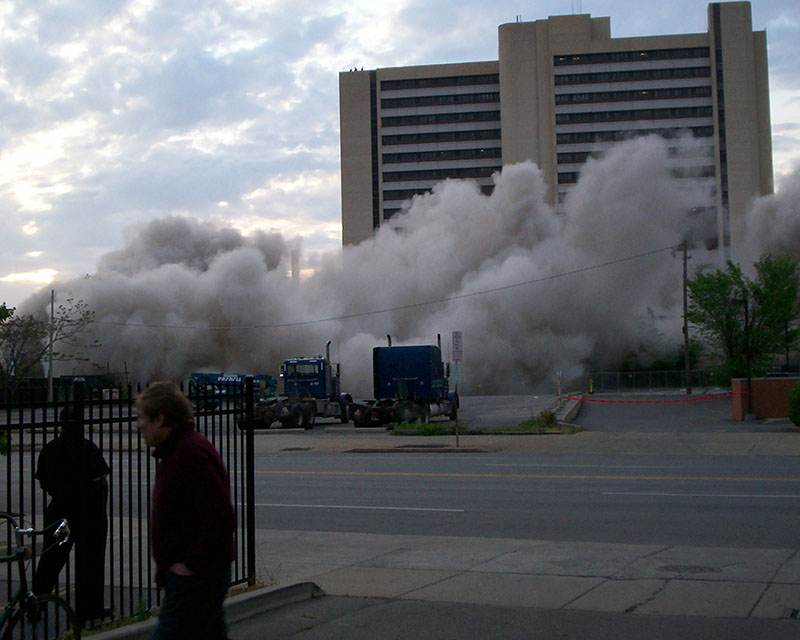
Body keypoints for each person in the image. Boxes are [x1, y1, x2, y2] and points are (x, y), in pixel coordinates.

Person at [135, 381, 236, 640]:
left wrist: (191, 564)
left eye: (142, 417)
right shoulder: (177, 452)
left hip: (196, 578)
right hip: (193, 576)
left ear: (160, 419)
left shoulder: (190, 453)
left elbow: (221, 517)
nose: (138, 425)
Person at [33, 406, 111, 627]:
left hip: (59, 511)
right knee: (91, 562)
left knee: (50, 560)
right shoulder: (88, 449)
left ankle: (37, 603)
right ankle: (90, 607)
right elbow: (101, 483)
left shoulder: (50, 450)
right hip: (89, 512)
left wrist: (59, 493)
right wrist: (100, 511)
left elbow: (43, 482)